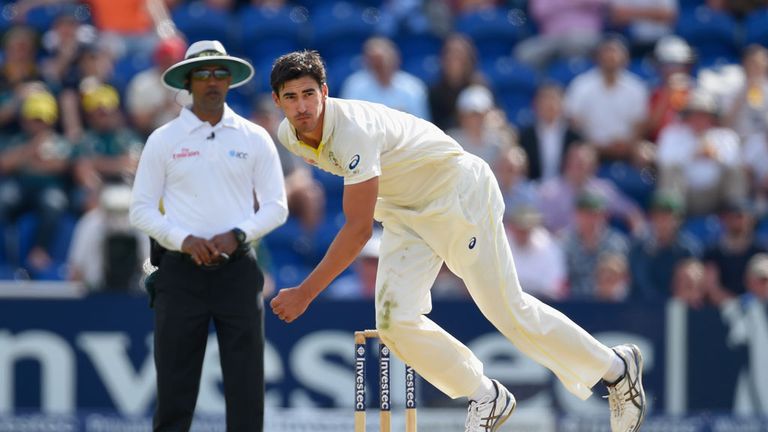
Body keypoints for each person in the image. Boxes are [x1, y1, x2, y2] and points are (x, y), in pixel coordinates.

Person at [267, 50, 646, 432]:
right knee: (394, 323)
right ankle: (485, 394)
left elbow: (358, 230)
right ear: (277, 101)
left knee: (507, 311)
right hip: (404, 213)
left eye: (309, 94)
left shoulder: (352, 131)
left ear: (325, 93)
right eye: (291, 97)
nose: (302, 106)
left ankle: (616, 369)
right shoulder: (289, 135)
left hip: (456, 195)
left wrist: (306, 292)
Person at [129, 40, 288, 432]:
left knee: (247, 387)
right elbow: (141, 209)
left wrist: (239, 234)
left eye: (220, 73)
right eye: (203, 73)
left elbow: (277, 206)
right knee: (174, 389)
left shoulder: (253, 136)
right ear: (188, 81)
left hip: (236, 271)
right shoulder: (164, 139)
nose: (212, 81)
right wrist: (183, 239)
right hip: (180, 274)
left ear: (230, 80)